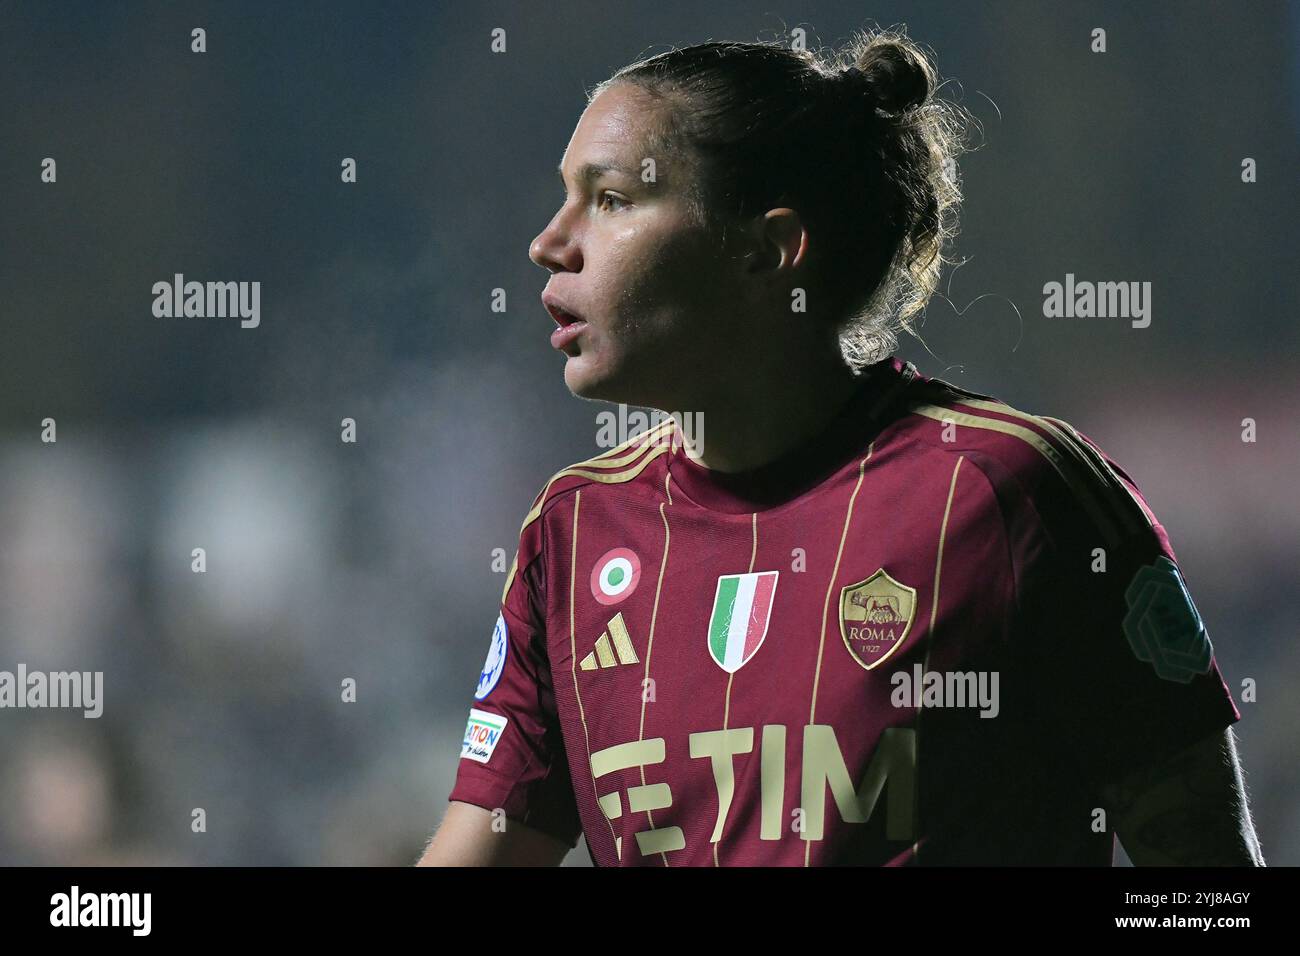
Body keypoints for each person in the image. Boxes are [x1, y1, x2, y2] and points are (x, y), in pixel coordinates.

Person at [419, 28, 1264, 866]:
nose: (549, 243)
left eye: (609, 200)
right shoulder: (574, 534)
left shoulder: (1011, 493)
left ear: (769, 247)